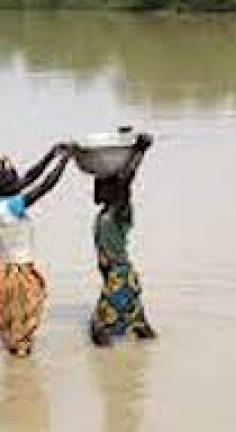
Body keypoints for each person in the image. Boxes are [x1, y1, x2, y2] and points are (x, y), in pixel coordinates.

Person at [0, 143, 73, 357]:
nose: (19, 183)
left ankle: (15, 364)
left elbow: (31, 176)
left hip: (4, 268)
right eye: (14, 180)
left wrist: (51, 154)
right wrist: (64, 162)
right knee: (24, 318)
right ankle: (21, 371)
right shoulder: (12, 206)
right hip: (19, 272)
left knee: (12, 320)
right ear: (6, 186)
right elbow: (44, 187)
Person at [89, 131, 158, 347]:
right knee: (140, 328)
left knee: (99, 331)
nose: (96, 190)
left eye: (101, 186)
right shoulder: (105, 213)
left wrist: (139, 151)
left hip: (119, 277)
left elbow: (126, 180)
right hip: (116, 276)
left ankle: (115, 376)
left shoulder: (120, 211)